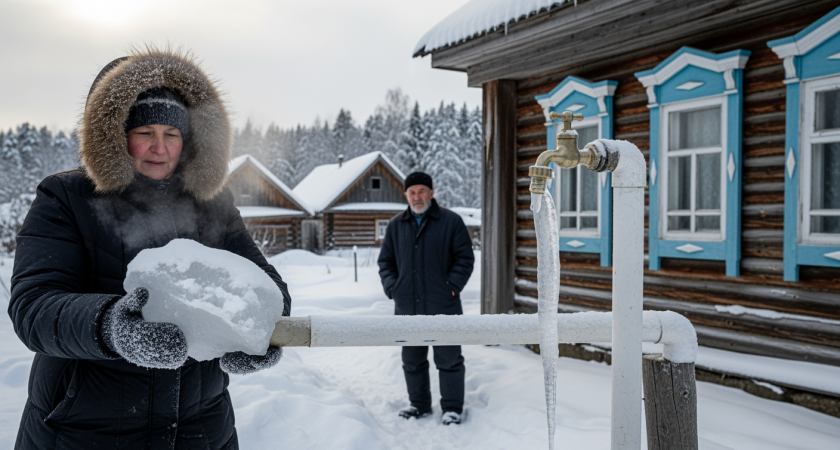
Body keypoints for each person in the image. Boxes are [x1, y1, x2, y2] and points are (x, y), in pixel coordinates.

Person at [7, 48, 291, 449]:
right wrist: (111, 328)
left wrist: (262, 329)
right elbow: (34, 307)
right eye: (145, 133)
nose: (160, 147)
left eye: (172, 134)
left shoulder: (212, 204)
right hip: (84, 429)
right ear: (114, 137)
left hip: (201, 426)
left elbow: (267, 288)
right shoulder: (67, 198)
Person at [377, 172, 475, 425]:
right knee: (412, 361)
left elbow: (465, 258)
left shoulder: (451, 222)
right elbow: (386, 262)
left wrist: (451, 286)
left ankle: (452, 408)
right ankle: (419, 405)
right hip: (408, 306)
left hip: (444, 305)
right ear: (406, 195)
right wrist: (393, 288)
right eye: (412, 192)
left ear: (431, 193)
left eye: (421, 191)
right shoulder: (396, 225)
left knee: (449, 360)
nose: (416, 196)